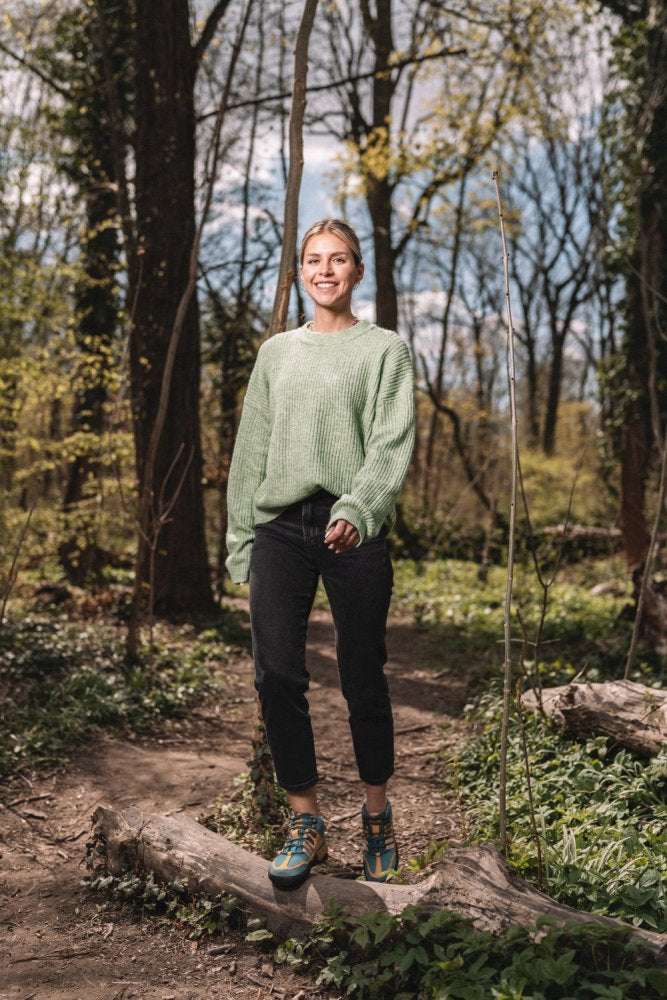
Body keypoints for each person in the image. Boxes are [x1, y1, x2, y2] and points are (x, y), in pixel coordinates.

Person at [225, 218, 416, 891]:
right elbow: (251, 449)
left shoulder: (386, 350)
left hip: (354, 527)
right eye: (313, 260)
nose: (325, 270)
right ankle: (305, 820)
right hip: (279, 527)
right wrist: (241, 538)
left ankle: (376, 816)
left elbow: (391, 444)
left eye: (338, 259)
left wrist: (357, 510)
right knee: (276, 674)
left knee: (362, 675)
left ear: (357, 271)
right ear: (300, 272)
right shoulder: (276, 353)